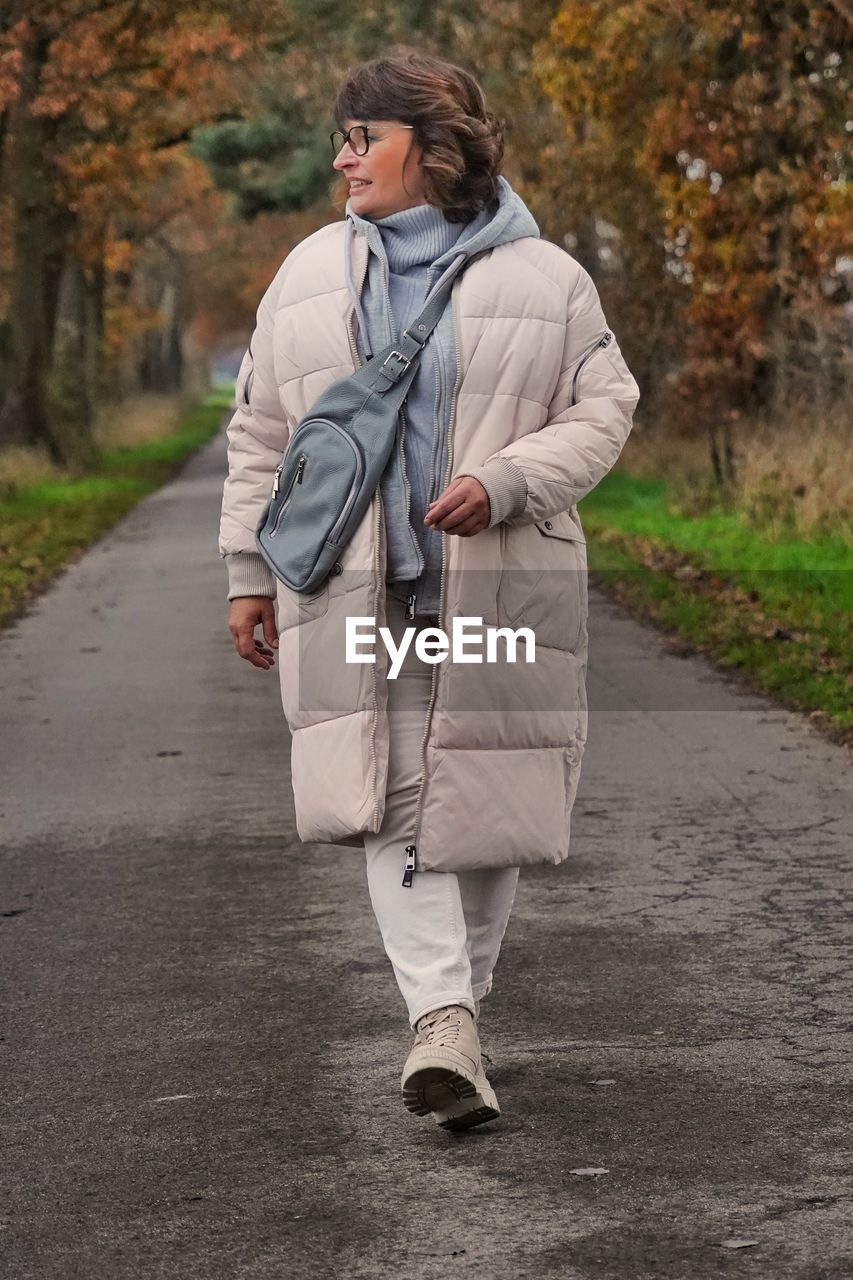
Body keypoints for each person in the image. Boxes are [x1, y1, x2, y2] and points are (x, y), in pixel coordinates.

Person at [219, 49, 640, 1132]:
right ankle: (441, 1015)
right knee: (394, 798)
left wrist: (503, 480)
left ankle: (456, 1021)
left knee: (486, 806)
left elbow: (602, 411)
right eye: (340, 138)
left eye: (362, 137)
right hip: (361, 596)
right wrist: (246, 573)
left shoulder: (546, 278)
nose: (340, 157)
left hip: (500, 589)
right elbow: (262, 435)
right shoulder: (308, 274)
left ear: (434, 145)